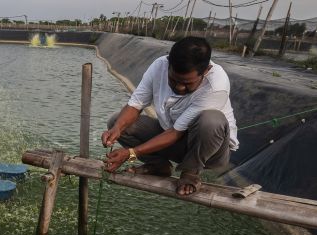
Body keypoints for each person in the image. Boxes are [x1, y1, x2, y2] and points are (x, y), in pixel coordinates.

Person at [101, 36, 238, 195]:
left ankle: (190, 173)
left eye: (188, 83)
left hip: (210, 151)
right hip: (176, 141)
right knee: (116, 121)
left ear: (205, 71)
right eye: (174, 80)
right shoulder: (160, 65)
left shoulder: (216, 86)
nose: (179, 87)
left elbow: (175, 132)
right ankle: (159, 166)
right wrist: (117, 129)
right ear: (169, 63)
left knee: (211, 121)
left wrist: (130, 153)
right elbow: (136, 104)